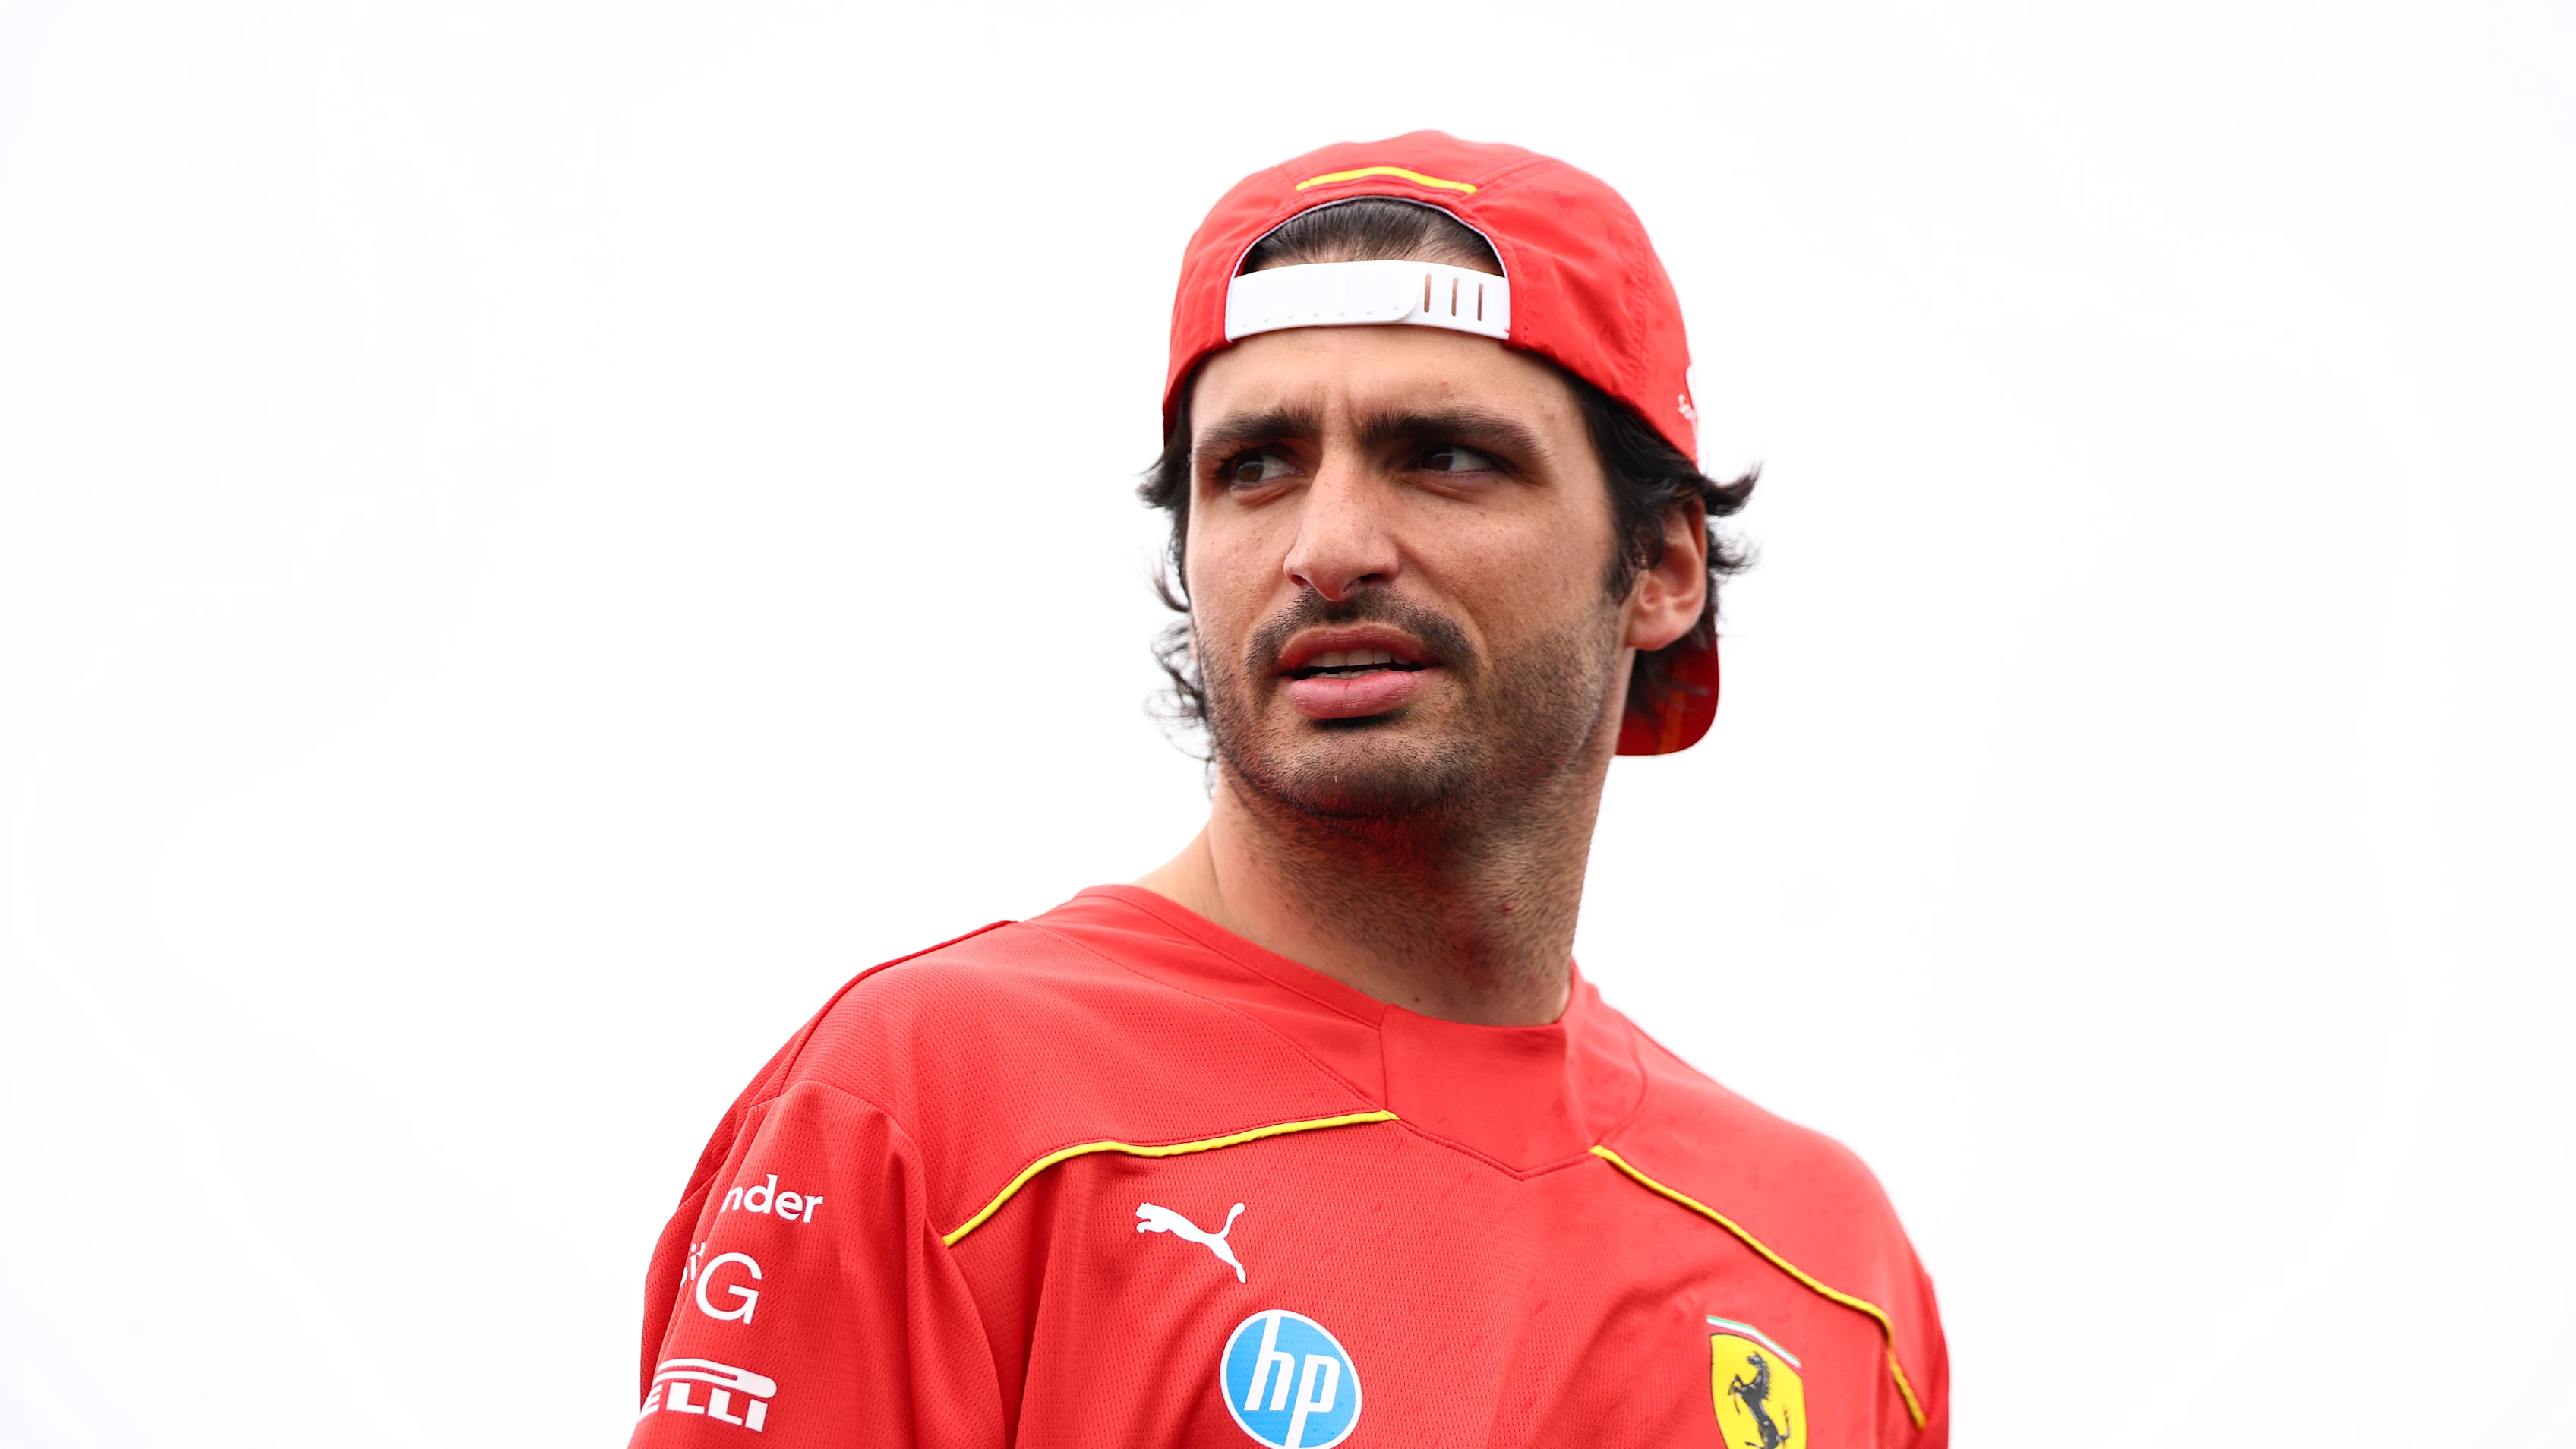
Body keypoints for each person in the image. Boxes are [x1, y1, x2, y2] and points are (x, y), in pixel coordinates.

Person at [628, 131, 1948, 1448]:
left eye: (1444, 455)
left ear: (1660, 565)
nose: (1328, 550)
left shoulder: (1830, 1277)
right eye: (1253, 466)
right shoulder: (937, 1105)